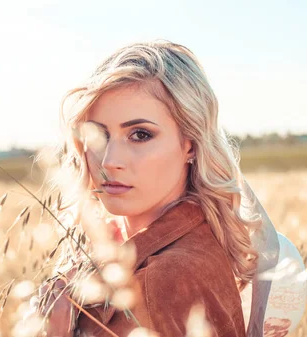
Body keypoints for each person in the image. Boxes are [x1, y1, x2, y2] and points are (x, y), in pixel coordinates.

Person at [29, 40, 281, 336]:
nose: (109, 161)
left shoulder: (162, 280)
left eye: (140, 134)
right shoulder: (183, 244)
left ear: (191, 143)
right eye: (98, 135)